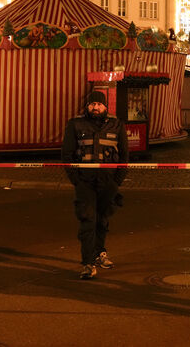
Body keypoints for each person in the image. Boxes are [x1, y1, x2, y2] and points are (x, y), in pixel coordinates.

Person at [62, 90, 128, 279]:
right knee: (87, 220)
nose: (95, 107)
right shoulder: (76, 124)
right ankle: (88, 263)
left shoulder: (116, 125)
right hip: (85, 181)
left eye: (99, 104)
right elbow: (66, 155)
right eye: (92, 104)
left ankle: (100, 252)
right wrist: (76, 181)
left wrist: (117, 182)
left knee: (103, 218)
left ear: (105, 106)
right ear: (87, 106)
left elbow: (124, 156)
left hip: (108, 182)